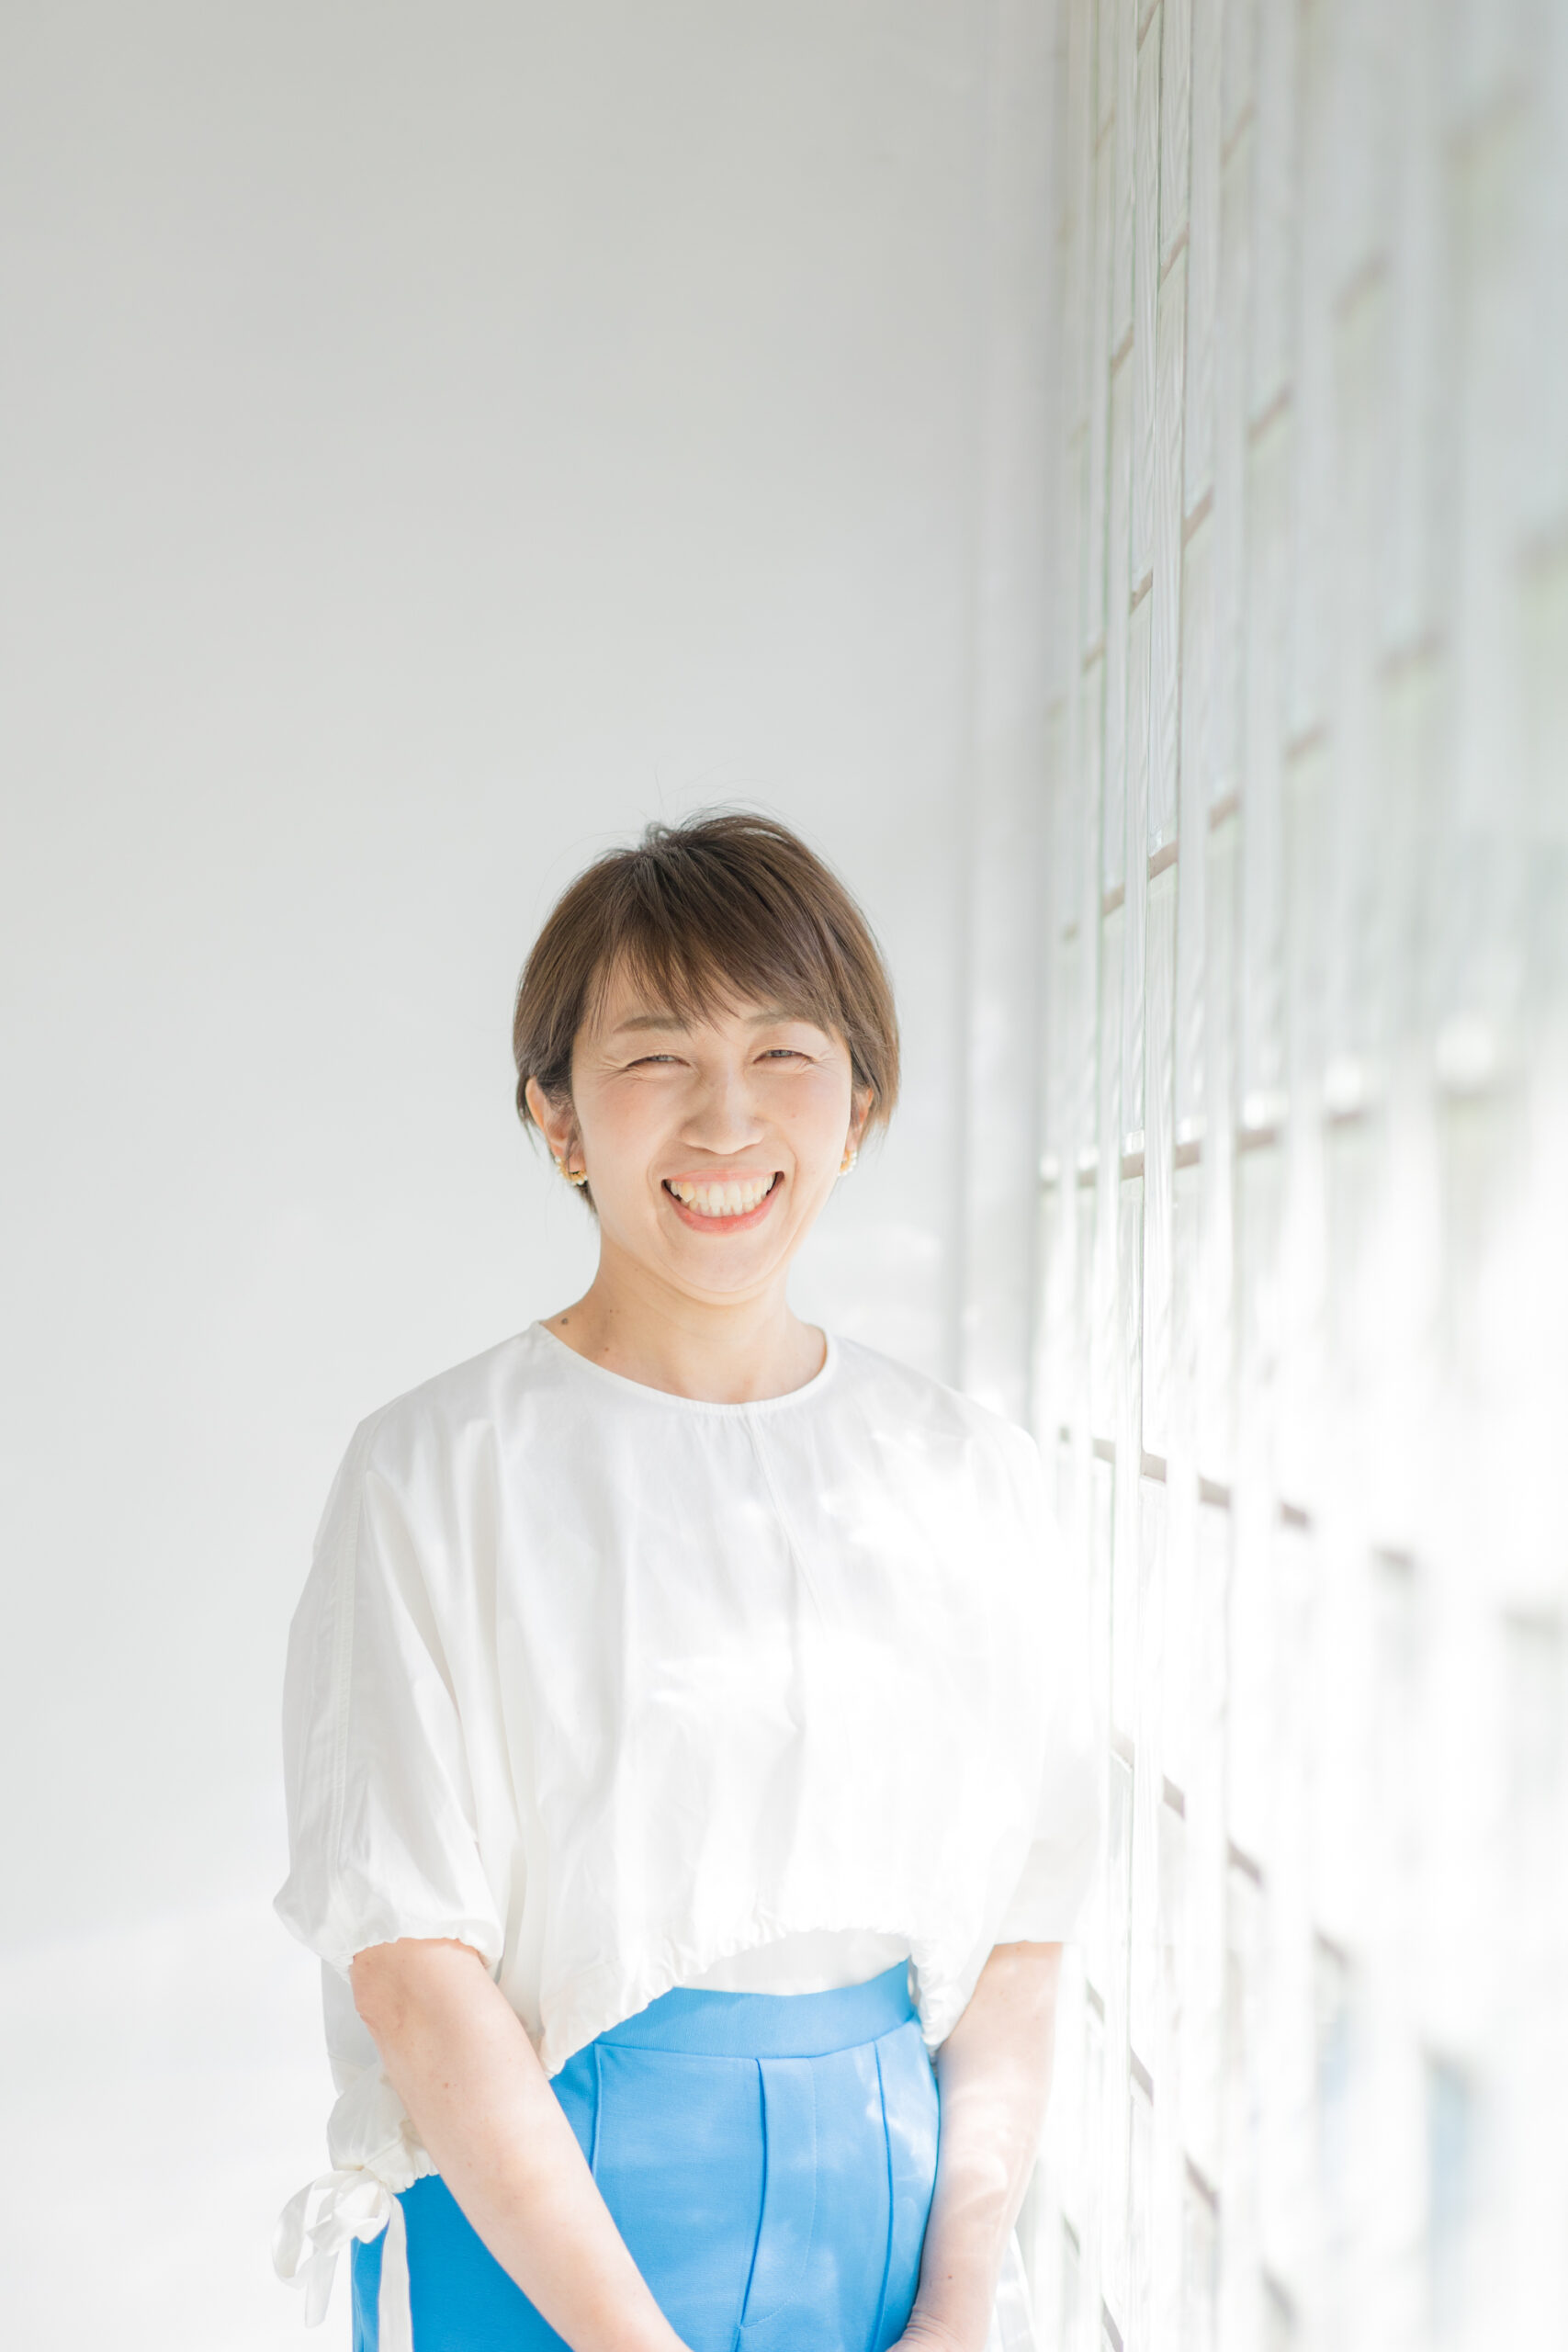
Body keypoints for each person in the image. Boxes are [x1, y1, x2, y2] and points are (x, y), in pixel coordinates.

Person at [271, 810, 1102, 2352]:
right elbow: (411, 1968)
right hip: (539, 2225)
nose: (727, 1119)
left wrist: (959, 2300)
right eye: (657, 1057)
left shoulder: (967, 1474)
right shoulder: (435, 1472)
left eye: (784, 1051)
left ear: (860, 1102)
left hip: (884, 2227)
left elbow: (1024, 1932)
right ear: (560, 1118)